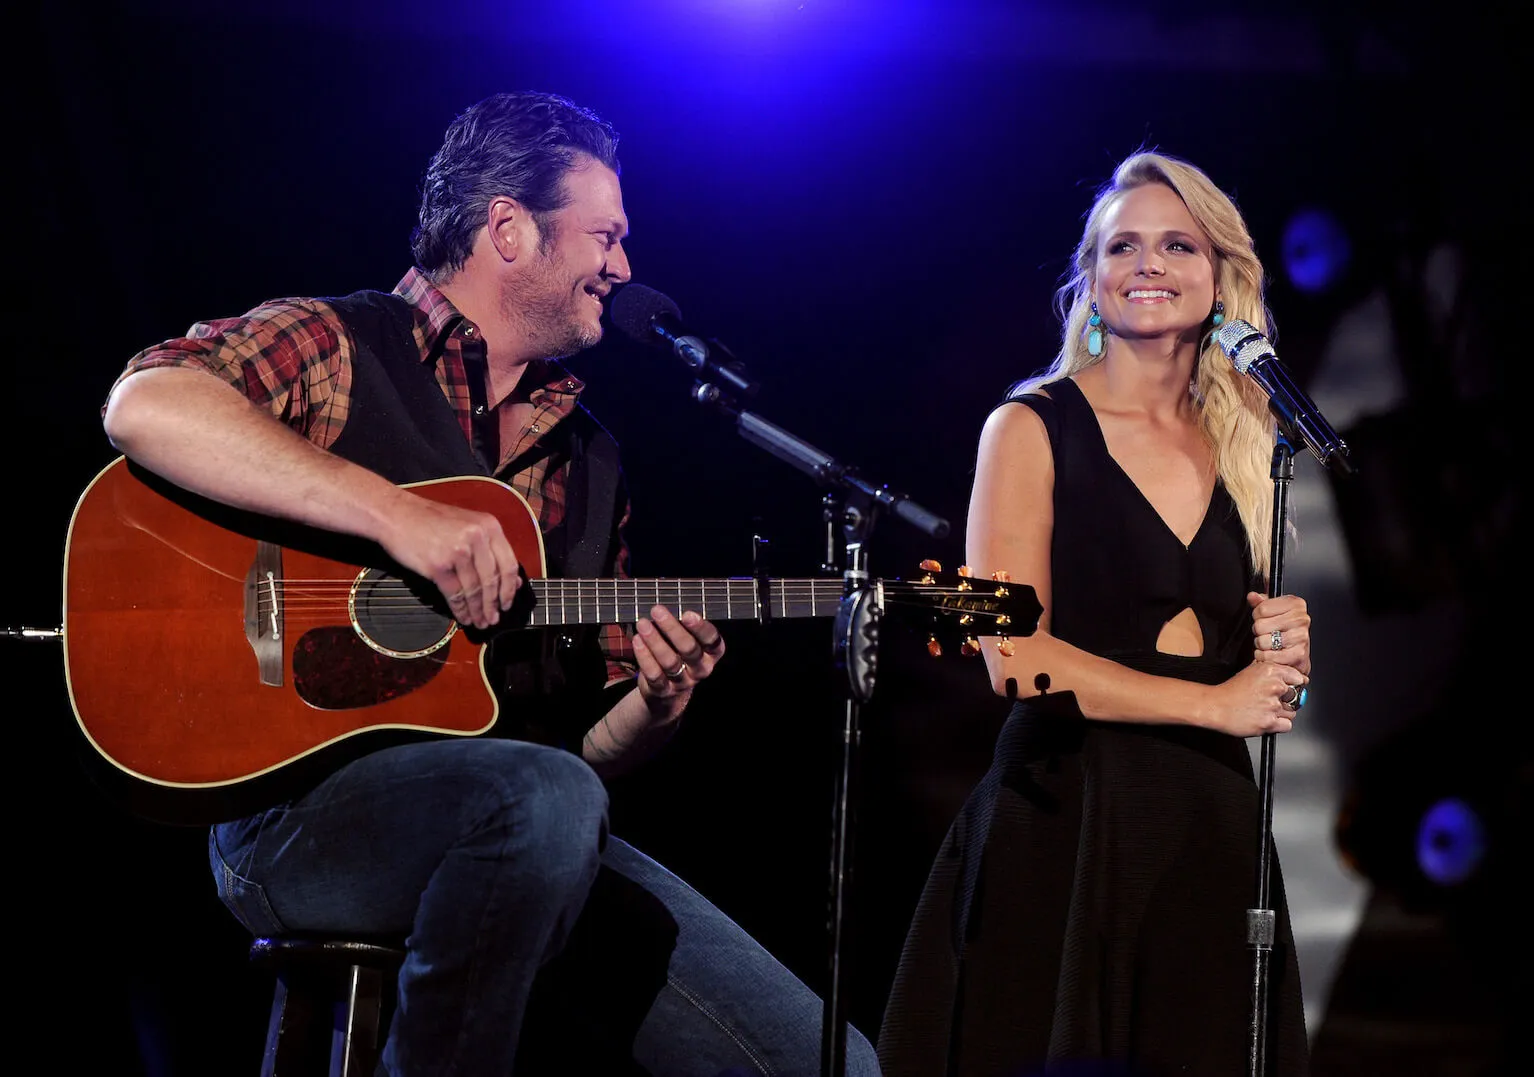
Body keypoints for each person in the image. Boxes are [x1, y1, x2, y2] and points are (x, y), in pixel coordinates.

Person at [101, 90, 881, 1077]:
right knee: (538, 799)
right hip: (289, 818)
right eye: (605, 235)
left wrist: (655, 702)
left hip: (516, 821)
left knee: (829, 1064)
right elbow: (148, 402)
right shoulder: (341, 345)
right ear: (509, 228)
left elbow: (581, 764)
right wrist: (394, 514)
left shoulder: (588, 467)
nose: (626, 268)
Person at [876, 151, 1312, 1077]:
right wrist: (1214, 703)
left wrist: (1279, 667)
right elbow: (1012, 658)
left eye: (1177, 244)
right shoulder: (1030, 426)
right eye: (1124, 246)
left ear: (1222, 275)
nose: (1149, 263)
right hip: (1069, 815)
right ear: (1093, 277)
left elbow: (1256, 686)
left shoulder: (1251, 441)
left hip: (1210, 821)